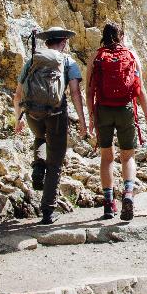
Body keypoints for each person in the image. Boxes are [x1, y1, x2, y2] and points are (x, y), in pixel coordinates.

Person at [13, 26, 87, 225]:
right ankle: (47, 211)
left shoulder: (32, 61)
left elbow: (18, 94)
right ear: (63, 42)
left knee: (39, 138)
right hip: (56, 113)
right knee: (55, 162)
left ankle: (38, 165)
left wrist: (17, 118)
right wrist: (82, 120)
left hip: (32, 112)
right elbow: (74, 93)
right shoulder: (68, 62)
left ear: (46, 42)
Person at [86, 22, 147, 221]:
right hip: (126, 109)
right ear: (121, 36)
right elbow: (140, 90)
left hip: (103, 110)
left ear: (103, 36)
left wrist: (91, 117)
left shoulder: (96, 57)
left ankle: (108, 203)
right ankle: (128, 194)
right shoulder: (131, 56)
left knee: (106, 157)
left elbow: (89, 91)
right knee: (128, 157)